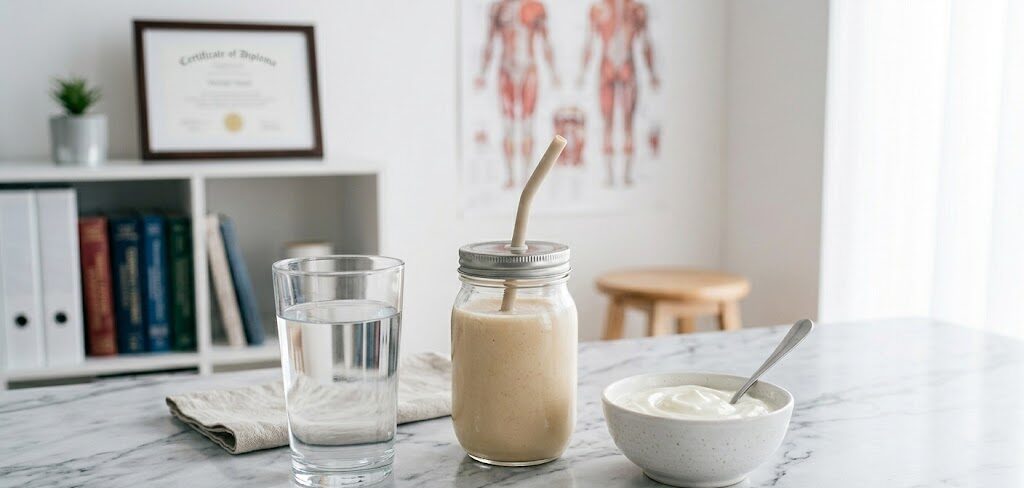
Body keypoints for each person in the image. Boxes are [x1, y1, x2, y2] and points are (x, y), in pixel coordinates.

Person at [476, 0, 560, 188]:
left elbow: (545, 42)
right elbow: (489, 42)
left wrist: (554, 72)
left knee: (528, 124)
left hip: (528, 68)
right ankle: (511, 177)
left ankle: (526, 177)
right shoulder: (498, 8)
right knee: (508, 125)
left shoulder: (536, 7)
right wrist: (481, 73)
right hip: (506, 69)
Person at [579, 0, 659, 186]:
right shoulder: (598, 10)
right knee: (607, 122)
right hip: (607, 68)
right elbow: (589, 42)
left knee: (627, 123)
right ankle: (609, 175)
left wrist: (652, 73)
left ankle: (626, 175)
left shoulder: (636, 10)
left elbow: (646, 43)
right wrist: (582, 73)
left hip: (626, 68)